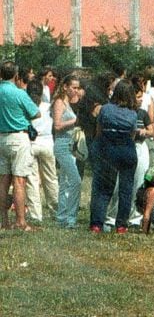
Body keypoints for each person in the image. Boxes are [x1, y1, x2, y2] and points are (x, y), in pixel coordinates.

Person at [89, 81, 138, 234]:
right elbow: (132, 134)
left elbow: (99, 131)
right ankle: (121, 225)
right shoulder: (133, 114)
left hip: (107, 149)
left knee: (102, 188)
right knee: (126, 189)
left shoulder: (105, 109)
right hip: (127, 150)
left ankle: (97, 223)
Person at [24, 78, 58, 226]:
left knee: (32, 180)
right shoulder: (48, 106)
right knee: (50, 178)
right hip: (47, 142)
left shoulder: (26, 106)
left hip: (31, 142)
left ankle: (35, 214)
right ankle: (56, 209)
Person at [51, 74, 82, 228]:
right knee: (76, 180)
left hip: (70, 144)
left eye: (78, 87)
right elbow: (56, 126)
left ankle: (62, 216)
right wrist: (74, 121)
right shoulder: (59, 103)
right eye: (73, 87)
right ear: (65, 87)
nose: (76, 91)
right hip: (62, 145)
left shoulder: (68, 102)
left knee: (65, 182)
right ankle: (70, 217)